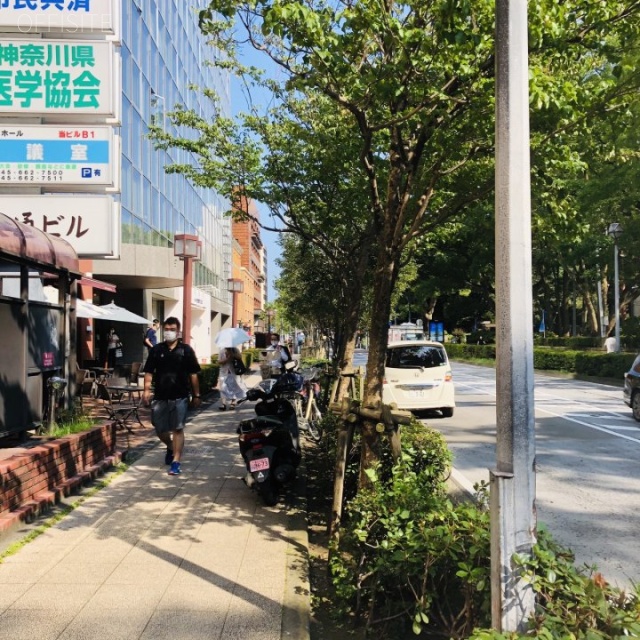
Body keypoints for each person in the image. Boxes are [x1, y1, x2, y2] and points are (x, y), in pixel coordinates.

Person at [142, 317, 201, 476]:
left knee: (178, 428)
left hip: (180, 396)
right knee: (159, 428)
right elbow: (148, 371)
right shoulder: (156, 350)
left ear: (178, 331)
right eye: (166, 329)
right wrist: (146, 390)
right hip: (160, 396)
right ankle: (169, 446)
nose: (169, 332)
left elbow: (193, 374)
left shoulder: (186, 350)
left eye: (172, 329)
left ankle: (176, 461)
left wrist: (196, 395)